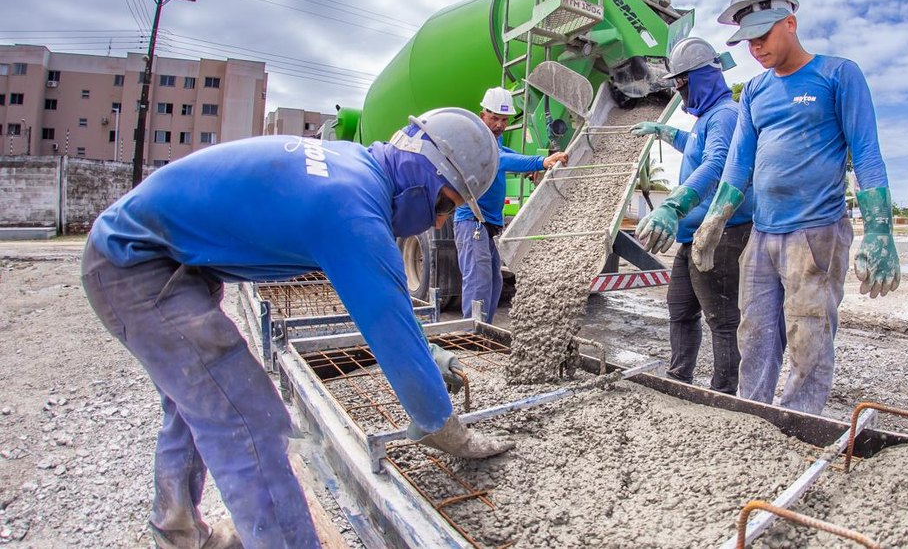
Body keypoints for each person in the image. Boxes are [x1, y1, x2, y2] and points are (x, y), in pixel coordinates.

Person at [80, 108, 515, 549]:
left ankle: (176, 531)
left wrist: (433, 357)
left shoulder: (356, 170)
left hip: (167, 261)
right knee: (250, 420)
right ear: (424, 170)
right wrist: (443, 425)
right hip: (136, 266)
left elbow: (389, 306)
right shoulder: (353, 210)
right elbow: (390, 329)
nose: (440, 221)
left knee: (196, 402)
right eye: (445, 204)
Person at [691, 0, 901, 415]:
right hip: (762, 235)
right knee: (755, 335)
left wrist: (880, 232)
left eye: (762, 36)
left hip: (815, 233)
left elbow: (866, 155)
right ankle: (753, 418)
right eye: (746, 41)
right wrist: (714, 219)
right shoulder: (754, 91)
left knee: (808, 336)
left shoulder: (838, 75)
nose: (755, 49)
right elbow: (739, 165)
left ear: (789, 21)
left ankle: (800, 420)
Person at [630, 37, 754, 395]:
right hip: (692, 234)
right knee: (681, 307)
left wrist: (674, 205)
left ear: (703, 78)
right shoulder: (706, 119)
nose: (680, 93)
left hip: (722, 232)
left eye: (683, 84)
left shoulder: (726, 115)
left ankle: (724, 392)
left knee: (721, 316)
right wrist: (662, 131)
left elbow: (716, 164)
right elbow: (694, 147)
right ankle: (680, 376)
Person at [454, 87, 568, 322]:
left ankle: (483, 330)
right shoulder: (474, 136)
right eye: (494, 118)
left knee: (494, 281)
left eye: (504, 120)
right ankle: (472, 334)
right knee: (478, 280)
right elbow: (499, 158)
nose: (499, 124)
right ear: (482, 114)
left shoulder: (494, 138)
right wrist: (539, 162)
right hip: (472, 220)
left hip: (490, 223)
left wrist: (525, 167)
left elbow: (503, 152)